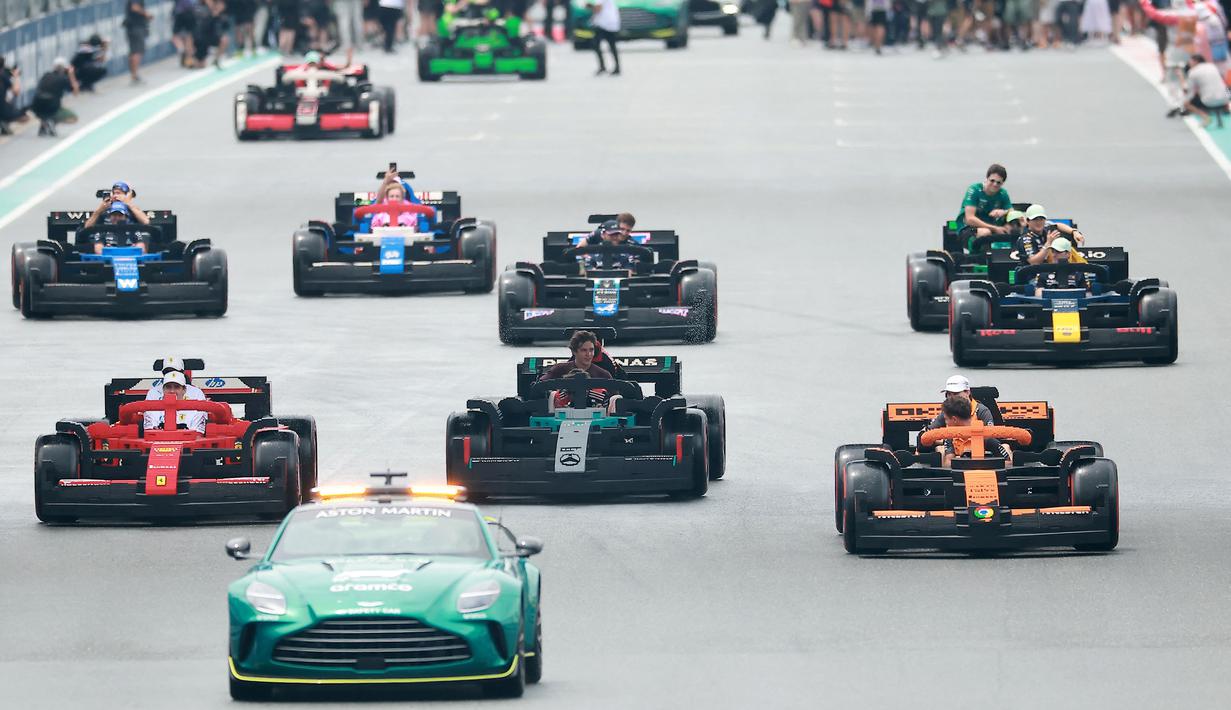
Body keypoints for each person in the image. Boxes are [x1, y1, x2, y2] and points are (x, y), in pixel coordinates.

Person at [934, 395, 1010, 467]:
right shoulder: (951, 436)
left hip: (987, 476)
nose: (945, 422)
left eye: (946, 419)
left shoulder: (987, 438)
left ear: (954, 419)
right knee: (940, 450)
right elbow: (947, 463)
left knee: (1006, 447)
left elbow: (1008, 462)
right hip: (961, 476)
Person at [955, 164, 1012, 245]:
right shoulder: (974, 190)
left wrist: (1003, 212)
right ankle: (978, 255)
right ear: (987, 178)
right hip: (968, 228)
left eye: (998, 182)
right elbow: (969, 219)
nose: (995, 184)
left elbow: (1012, 212)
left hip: (993, 227)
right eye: (992, 181)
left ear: (1002, 183)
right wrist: (995, 228)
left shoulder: (1003, 193)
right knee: (985, 232)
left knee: (1011, 228)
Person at [921, 375, 995, 433]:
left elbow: (991, 435)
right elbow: (927, 432)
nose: (952, 397)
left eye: (955, 393)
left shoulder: (982, 411)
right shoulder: (946, 412)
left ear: (967, 392)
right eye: (949, 394)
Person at [144, 370, 208, 433]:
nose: (172, 391)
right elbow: (151, 432)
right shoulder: (153, 408)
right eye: (168, 387)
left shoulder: (195, 409)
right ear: (163, 390)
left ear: (184, 390)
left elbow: (197, 435)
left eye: (177, 387)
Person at [30, 59, 79, 137]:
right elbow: (75, 92)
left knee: (46, 110)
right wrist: (71, 75)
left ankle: (45, 124)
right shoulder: (63, 78)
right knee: (73, 118)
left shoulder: (46, 75)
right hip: (52, 107)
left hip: (36, 106)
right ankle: (50, 122)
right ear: (64, 68)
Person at [538, 330, 614, 380]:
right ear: (574, 351)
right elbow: (539, 386)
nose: (589, 354)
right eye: (584, 350)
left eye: (591, 350)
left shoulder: (603, 375)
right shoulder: (559, 369)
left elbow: (615, 397)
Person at [1184, 54, 1230, 126]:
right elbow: (1223, 81)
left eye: (1190, 61)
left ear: (1195, 61)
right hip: (1225, 99)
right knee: (1221, 88)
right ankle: (1226, 107)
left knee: (1186, 102)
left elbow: (1190, 92)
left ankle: (1206, 118)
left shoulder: (1192, 72)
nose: (1188, 63)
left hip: (1208, 101)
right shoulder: (1212, 66)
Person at [84, 182, 151, 229]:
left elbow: (146, 222)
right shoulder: (104, 209)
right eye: (114, 193)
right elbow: (87, 227)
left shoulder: (133, 209)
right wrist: (99, 211)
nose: (115, 196)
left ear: (126, 195)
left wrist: (128, 203)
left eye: (119, 193)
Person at [123, 0, 154, 83]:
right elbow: (135, 7)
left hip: (132, 28)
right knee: (137, 51)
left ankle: (134, 75)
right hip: (136, 28)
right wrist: (146, 14)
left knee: (133, 51)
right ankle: (135, 75)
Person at [587, 0, 620, 75]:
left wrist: (589, 6)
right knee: (612, 45)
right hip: (611, 22)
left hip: (604, 24)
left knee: (596, 44)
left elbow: (598, 9)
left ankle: (603, 66)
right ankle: (616, 67)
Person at [0, 57, 28, 135]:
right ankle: (3, 121)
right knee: (25, 117)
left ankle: (3, 122)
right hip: (2, 109)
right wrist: (16, 76)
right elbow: (16, 91)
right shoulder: (3, 75)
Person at [173, 0, 200, 66]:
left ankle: (189, 58)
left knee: (189, 39)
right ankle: (185, 54)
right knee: (185, 39)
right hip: (182, 15)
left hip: (189, 15)